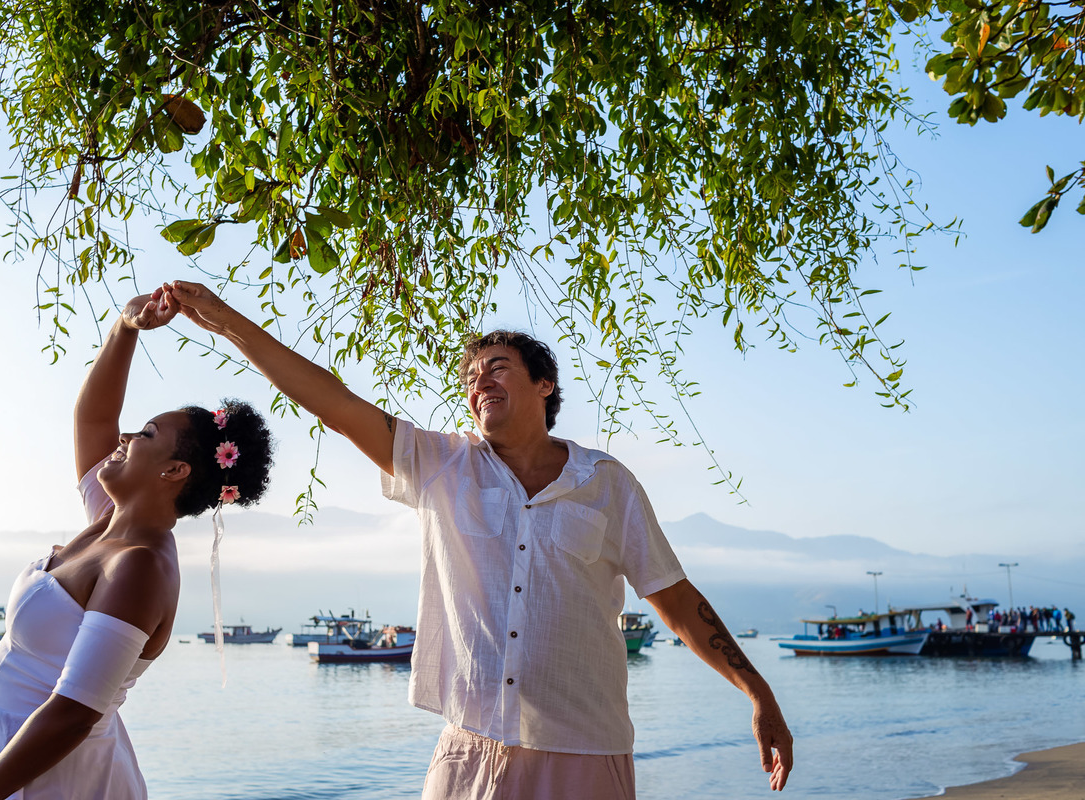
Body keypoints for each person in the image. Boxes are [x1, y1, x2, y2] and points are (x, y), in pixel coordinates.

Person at [168, 280, 793, 798]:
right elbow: (331, 400)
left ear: (544, 385)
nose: (479, 382)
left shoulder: (608, 484)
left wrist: (758, 693)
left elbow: (675, 600)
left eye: (497, 367)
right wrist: (228, 322)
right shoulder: (441, 465)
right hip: (471, 751)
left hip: (586, 750)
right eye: (470, 377)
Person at [0, 289, 274, 800]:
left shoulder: (139, 568)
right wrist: (126, 328)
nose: (126, 436)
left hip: (43, 775)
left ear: (174, 471)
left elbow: (72, 715)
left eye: (147, 434)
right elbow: (92, 420)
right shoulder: (110, 519)